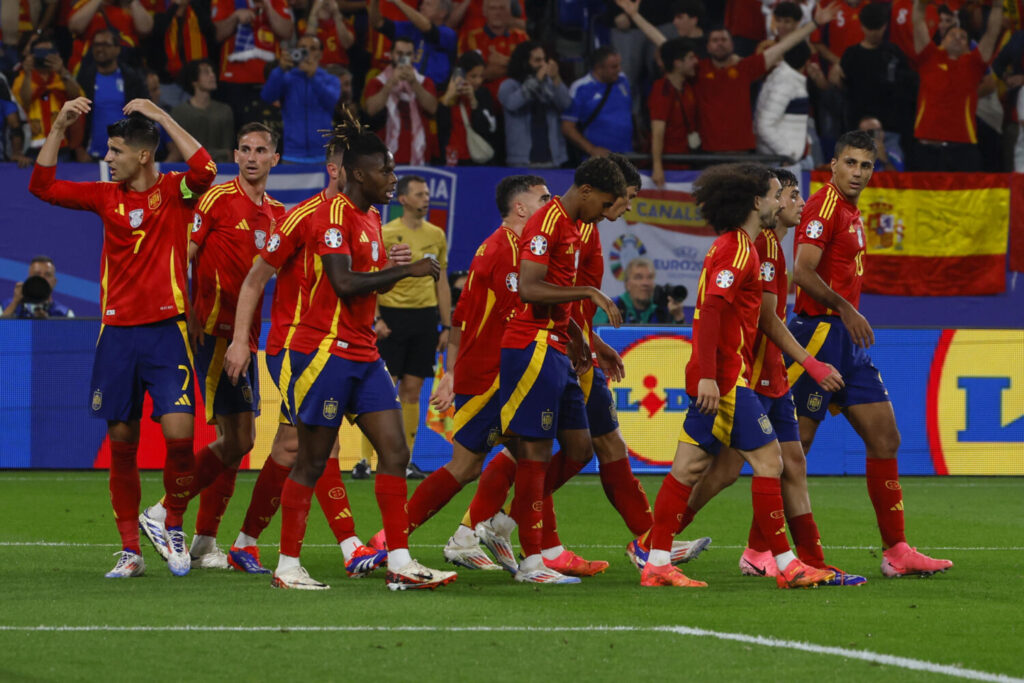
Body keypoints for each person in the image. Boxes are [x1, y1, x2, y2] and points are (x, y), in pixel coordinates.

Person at [29, 96, 217, 578]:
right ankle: (130, 549)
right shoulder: (103, 197)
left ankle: (172, 525)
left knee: (179, 436)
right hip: (116, 334)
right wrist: (58, 126)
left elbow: (207, 168)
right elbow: (42, 186)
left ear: (143, 155)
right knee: (122, 440)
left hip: (166, 332)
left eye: (115, 151)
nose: (107, 159)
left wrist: (160, 116)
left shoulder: (176, 191)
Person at [631, 163, 839, 589]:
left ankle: (654, 561)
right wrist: (709, 375)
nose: (783, 199)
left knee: (688, 468)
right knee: (769, 462)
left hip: (722, 375)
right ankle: (784, 563)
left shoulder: (741, 246)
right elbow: (710, 312)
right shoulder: (742, 249)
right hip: (727, 379)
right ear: (756, 201)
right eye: (777, 192)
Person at [272, 112, 455, 590]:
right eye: (386, 171)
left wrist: (394, 267)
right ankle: (287, 567)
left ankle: (399, 562)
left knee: (395, 452)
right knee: (311, 461)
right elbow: (344, 282)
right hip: (324, 352)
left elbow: (364, 273)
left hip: (363, 351)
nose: (392, 179)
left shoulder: (372, 217)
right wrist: (407, 271)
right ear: (357, 174)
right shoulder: (331, 216)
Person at [680, 168, 866, 586]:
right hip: (750, 373)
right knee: (720, 467)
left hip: (770, 373)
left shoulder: (771, 246)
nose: (800, 203)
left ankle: (810, 560)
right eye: (791, 194)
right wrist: (811, 363)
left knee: (789, 462)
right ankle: (658, 541)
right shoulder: (758, 246)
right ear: (770, 201)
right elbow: (764, 319)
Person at [220, 132, 389, 578]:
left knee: (289, 446)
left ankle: (244, 543)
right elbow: (255, 279)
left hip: (342, 348)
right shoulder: (302, 217)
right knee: (320, 441)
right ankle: (352, 546)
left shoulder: (367, 217)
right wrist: (241, 341)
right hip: (296, 349)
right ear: (337, 170)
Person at [786, 129, 954, 577]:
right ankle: (762, 548)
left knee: (885, 438)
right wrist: (845, 308)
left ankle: (896, 551)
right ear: (833, 165)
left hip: (846, 337)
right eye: (851, 163)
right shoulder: (823, 206)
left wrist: (847, 314)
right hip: (818, 333)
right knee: (795, 445)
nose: (858, 172)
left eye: (866, 165)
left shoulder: (851, 210)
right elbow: (800, 272)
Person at [366, 175, 551, 572]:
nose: (550, 205)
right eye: (543, 199)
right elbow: (482, 324)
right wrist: (453, 374)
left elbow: (461, 317)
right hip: (490, 377)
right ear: (521, 208)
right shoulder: (502, 251)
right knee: (470, 465)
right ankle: (396, 539)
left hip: (502, 374)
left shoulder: (513, 249)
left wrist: (451, 371)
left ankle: (483, 538)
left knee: (532, 455)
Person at [138, 122, 286, 570]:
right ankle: (164, 511)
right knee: (239, 437)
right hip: (212, 333)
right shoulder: (217, 199)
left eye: (261, 150)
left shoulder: (279, 213)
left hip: (246, 337)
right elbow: (183, 253)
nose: (252, 157)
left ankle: (203, 541)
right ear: (235, 155)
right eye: (244, 149)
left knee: (236, 440)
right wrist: (182, 311)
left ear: (274, 159)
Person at [498, 156, 625, 584]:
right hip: (531, 346)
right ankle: (532, 562)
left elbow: (554, 296)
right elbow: (531, 288)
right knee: (530, 452)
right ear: (585, 191)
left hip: (558, 347)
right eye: (604, 203)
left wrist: (579, 335)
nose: (606, 213)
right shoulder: (547, 222)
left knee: (579, 448)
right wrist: (589, 290)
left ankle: (502, 522)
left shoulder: (573, 226)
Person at [620, 0, 840, 153]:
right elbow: (664, 43)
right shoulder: (699, 70)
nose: (720, 43)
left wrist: (815, 24)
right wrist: (635, 16)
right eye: (715, 40)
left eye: (724, 39)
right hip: (707, 153)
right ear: (707, 46)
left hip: (742, 152)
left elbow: (784, 45)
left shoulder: (745, 69)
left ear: (732, 43)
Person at [367, 174, 451, 477]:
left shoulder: (436, 235)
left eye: (427, 193)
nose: (425, 198)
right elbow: (373, 275)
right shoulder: (387, 232)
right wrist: (376, 318)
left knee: (413, 391)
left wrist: (446, 325)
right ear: (402, 199)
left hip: (425, 318)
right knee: (383, 389)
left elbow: (441, 281)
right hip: (391, 316)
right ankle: (368, 460)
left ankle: (405, 460)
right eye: (419, 194)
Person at [908, 0, 1002, 172]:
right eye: (953, 35)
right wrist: (921, 4)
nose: (958, 38)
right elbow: (918, 20)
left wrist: (997, 6)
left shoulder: (974, 63)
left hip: (963, 147)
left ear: (968, 47)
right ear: (942, 41)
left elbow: (992, 34)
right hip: (927, 147)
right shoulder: (929, 57)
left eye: (963, 37)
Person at [834, 2, 915, 166]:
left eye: (877, 28)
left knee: (893, 170)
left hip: (890, 129)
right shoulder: (851, 55)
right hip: (858, 129)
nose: (873, 33)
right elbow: (844, 90)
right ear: (862, 26)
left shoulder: (894, 53)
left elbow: (908, 88)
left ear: (885, 26)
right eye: (869, 28)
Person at [211, 0, 293, 126]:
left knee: (271, 129)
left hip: (270, 78)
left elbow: (287, 32)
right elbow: (216, 34)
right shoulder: (225, 2)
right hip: (234, 79)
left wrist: (268, 7)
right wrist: (235, 17)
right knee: (239, 131)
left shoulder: (277, 2)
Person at [260, 34, 341, 163]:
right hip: (292, 154)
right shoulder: (286, 77)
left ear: (320, 54)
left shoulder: (331, 79)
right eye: (303, 48)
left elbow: (331, 102)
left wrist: (313, 76)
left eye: (313, 48)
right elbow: (267, 97)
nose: (307, 52)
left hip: (323, 154)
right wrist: (279, 69)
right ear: (296, 51)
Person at [364, 36, 439, 165]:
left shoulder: (424, 82)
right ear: (391, 55)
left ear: (414, 57)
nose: (403, 58)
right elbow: (371, 109)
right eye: (399, 53)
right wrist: (390, 83)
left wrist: (414, 83)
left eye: (408, 54)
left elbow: (432, 108)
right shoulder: (377, 82)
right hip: (385, 158)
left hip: (419, 156)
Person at [75, 29, 147, 160]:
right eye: (96, 45)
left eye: (106, 45)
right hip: (91, 157)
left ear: (117, 49)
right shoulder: (84, 79)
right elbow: (76, 117)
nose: (100, 49)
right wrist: (79, 149)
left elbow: (143, 116)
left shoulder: (132, 79)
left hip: (126, 156)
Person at [498, 40, 571, 168]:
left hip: (551, 160)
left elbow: (565, 104)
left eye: (544, 60)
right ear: (524, 62)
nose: (543, 65)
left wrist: (556, 79)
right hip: (521, 161)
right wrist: (537, 80)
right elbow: (513, 104)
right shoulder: (509, 85)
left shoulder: (549, 84)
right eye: (537, 60)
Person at [14, 37, 84, 157]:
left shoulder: (61, 77)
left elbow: (76, 96)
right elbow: (25, 101)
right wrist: (28, 73)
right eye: (39, 53)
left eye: (48, 52)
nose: (44, 57)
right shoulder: (22, 78)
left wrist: (62, 71)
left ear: (56, 54)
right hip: (33, 147)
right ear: (31, 55)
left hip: (61, 145)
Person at [561, 45, 633, 158]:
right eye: (614, 67)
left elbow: (627, 112)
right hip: (597, 160)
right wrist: (591, 149)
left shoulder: (623, 80)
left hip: (628, 156)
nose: (619, 70)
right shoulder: (581, 88)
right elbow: (567, 127)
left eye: (619, 65)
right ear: (599, 68)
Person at [648, 37, 700, 188]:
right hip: (669, 169)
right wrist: (657, 167)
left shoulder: (688, 87)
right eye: (691, 58)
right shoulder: (661, 90)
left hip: (688, 163)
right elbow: (657, 131)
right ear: (677, 63)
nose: (696, 61)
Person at [368, 0, 456, 88]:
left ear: (442, 13)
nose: (421, 7)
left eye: (428, 4)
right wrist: (375, 2)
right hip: (405, 86)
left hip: (434, 90)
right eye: (422, 4)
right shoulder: (411, 28)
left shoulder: (448, 33)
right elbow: (378, 23)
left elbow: (427, 27)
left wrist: (397, 2)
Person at [148, 0, 217, 110]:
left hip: (194, 83)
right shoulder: (161, 10)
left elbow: (211, 34)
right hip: (167, 82)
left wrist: (194, 6)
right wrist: (174, 7)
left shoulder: (198, 10)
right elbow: (156, 35)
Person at [437, 50, 501, 165]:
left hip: (476, 159)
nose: (478, 81)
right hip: (451, 159)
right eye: (473, 76)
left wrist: (473, 102)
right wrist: (448, 96)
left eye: (481, 76)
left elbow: (490, 129)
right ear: (460, 74)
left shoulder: (483, 94)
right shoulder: (445, 92)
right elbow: (440, 126)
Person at [754, 42, 811, 164]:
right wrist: (787, 154)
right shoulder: (785, 83)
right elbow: (764, 125)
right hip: (781, 162)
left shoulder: (786, 78)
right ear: (807, 62)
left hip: (788, 158)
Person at [170, 59, 235, 163]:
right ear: (194, 81)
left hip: (221, 169)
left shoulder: (224, 111)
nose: (212, 75)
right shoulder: (180, 112)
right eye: (206, 72)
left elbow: (228, 152)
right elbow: (179, 151)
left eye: (212, 71)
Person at [462, 0, 529, 100]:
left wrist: (507, 63)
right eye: (493, 8)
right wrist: (514, 64)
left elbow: (530, 68)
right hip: (482, 100)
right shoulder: (471, 38)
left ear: (509, 12)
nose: (497, 13)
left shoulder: (521, 37)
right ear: (485, 12)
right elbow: (465, 75)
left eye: (502, 8)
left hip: (518, 99)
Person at [67, 0, 153, 73]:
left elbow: (145, 28)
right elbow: (75, 26)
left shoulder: (132, 7)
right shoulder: (86, 4)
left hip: (127, 68)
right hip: (89, 68)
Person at [593, 257, 669, 325]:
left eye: (649, 277)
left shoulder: (663, 309)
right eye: (639, 277)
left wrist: (678, 317)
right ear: (627, 284)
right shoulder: (608, 308)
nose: (645, 283)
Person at [2, 255, 75, 319]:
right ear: (29, 279)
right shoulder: (6, 307)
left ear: (54, 282)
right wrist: (15, 302)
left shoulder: (65, 314)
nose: (42, 279)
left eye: (47, 275)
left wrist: (47, 323)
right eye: (37, 274)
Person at [304, 0, 355, 69]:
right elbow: (308, 44)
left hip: (339, 69)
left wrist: (336, 14)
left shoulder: (344, 23)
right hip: (315, 69)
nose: (325, 2)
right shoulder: (305, 23)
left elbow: (346, 44)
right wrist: (314, 13)